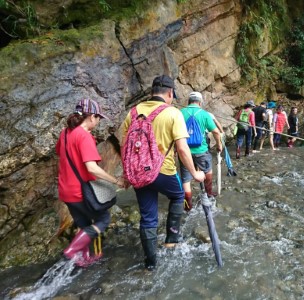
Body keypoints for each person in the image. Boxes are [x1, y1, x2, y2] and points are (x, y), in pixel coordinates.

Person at [121, 75, 205, 271]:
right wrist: (194, 173)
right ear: (170, 93)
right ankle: (171, 239)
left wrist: (127, 174)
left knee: (147, 217)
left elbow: (125, 146)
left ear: (151, 92)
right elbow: (183, 149)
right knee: (177, 196)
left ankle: (150, 263)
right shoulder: (173, 113)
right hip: (162, 172)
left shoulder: (133, 113)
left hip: (139, 173)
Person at [55, 98, 125, 267]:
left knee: (83, 223)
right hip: (79, 191)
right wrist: (116, 180)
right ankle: (72, 251)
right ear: (91, 117)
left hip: (65, 190)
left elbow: (60, 153)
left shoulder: (65, 133)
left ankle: (82, 259)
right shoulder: (84, 137)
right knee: (103, 220)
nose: (99, 121)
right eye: (98, 117)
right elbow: (92, 168)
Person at [180, 92, 223, 212]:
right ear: (200, 102)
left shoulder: (180, 113)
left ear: (189, 101)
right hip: (201, 150)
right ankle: (208, 195)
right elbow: (216, 132)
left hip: (184, 151)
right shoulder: (204, 114)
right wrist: (219, 145)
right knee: (208, 171)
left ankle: (187, 206)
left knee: (186, 179)